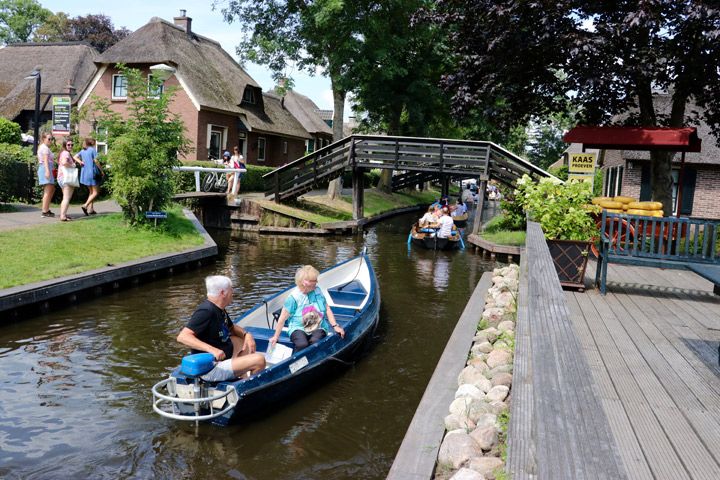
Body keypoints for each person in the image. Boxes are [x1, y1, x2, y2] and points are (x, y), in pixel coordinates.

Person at [177, 275, 266, 382]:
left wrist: (247, 335)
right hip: (211, 369)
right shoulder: (206, 311)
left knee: (241, 340)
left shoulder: (219, 309)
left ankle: (241, 374)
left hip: (224, 359)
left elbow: (232, 328)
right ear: (223, 293)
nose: (233, 292)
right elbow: (183, 336)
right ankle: (247, 386)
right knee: (259, 360)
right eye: (231, 289)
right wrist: (212, 350)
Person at [270, 265, 345, 353]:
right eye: (313, 280)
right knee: (302, 344)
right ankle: (295, 362)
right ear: (304, 282)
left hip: (319, 326)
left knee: (315, 342)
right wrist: (275, 337)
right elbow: (282, 318)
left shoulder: (317, 290)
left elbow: (327, 309)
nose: (316, 282)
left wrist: (335, 326)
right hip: (298, 327)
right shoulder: (293, 297)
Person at [77, 138, 103, 216]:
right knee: (95, 192)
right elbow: (96, 161)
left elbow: (75, 157)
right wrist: (101, 170)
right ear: (91, 143)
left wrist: (80, 162)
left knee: (91, 192)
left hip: (85, 174)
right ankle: (85, 206)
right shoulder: (92, 150)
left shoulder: (83, 151)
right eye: (94, 142)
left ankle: (91, 209)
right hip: (92, 174)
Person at [56, 139, 79, 221]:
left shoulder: (63, 153)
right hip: (66, 177)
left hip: (61, 178)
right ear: (64, 145)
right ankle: (63, 216)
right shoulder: (66, 153)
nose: (70, 146)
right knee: (66, 198)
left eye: (72, 144)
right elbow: (64, 162)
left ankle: (64, 214)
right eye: (68, 145)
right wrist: (72, 165)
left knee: (65, 197)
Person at [37, 133, 56, 218]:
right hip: (45, 168)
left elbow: (50, 160)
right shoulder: (44, 148)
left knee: (51, 189)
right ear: (44, 139)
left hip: (47, 168)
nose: (50, 141)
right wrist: (47, 171)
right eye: (49, 139)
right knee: (48, 191)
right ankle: (44, 211)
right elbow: (45, 160)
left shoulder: (45, 147)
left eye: (51, 139)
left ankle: (46, 209)